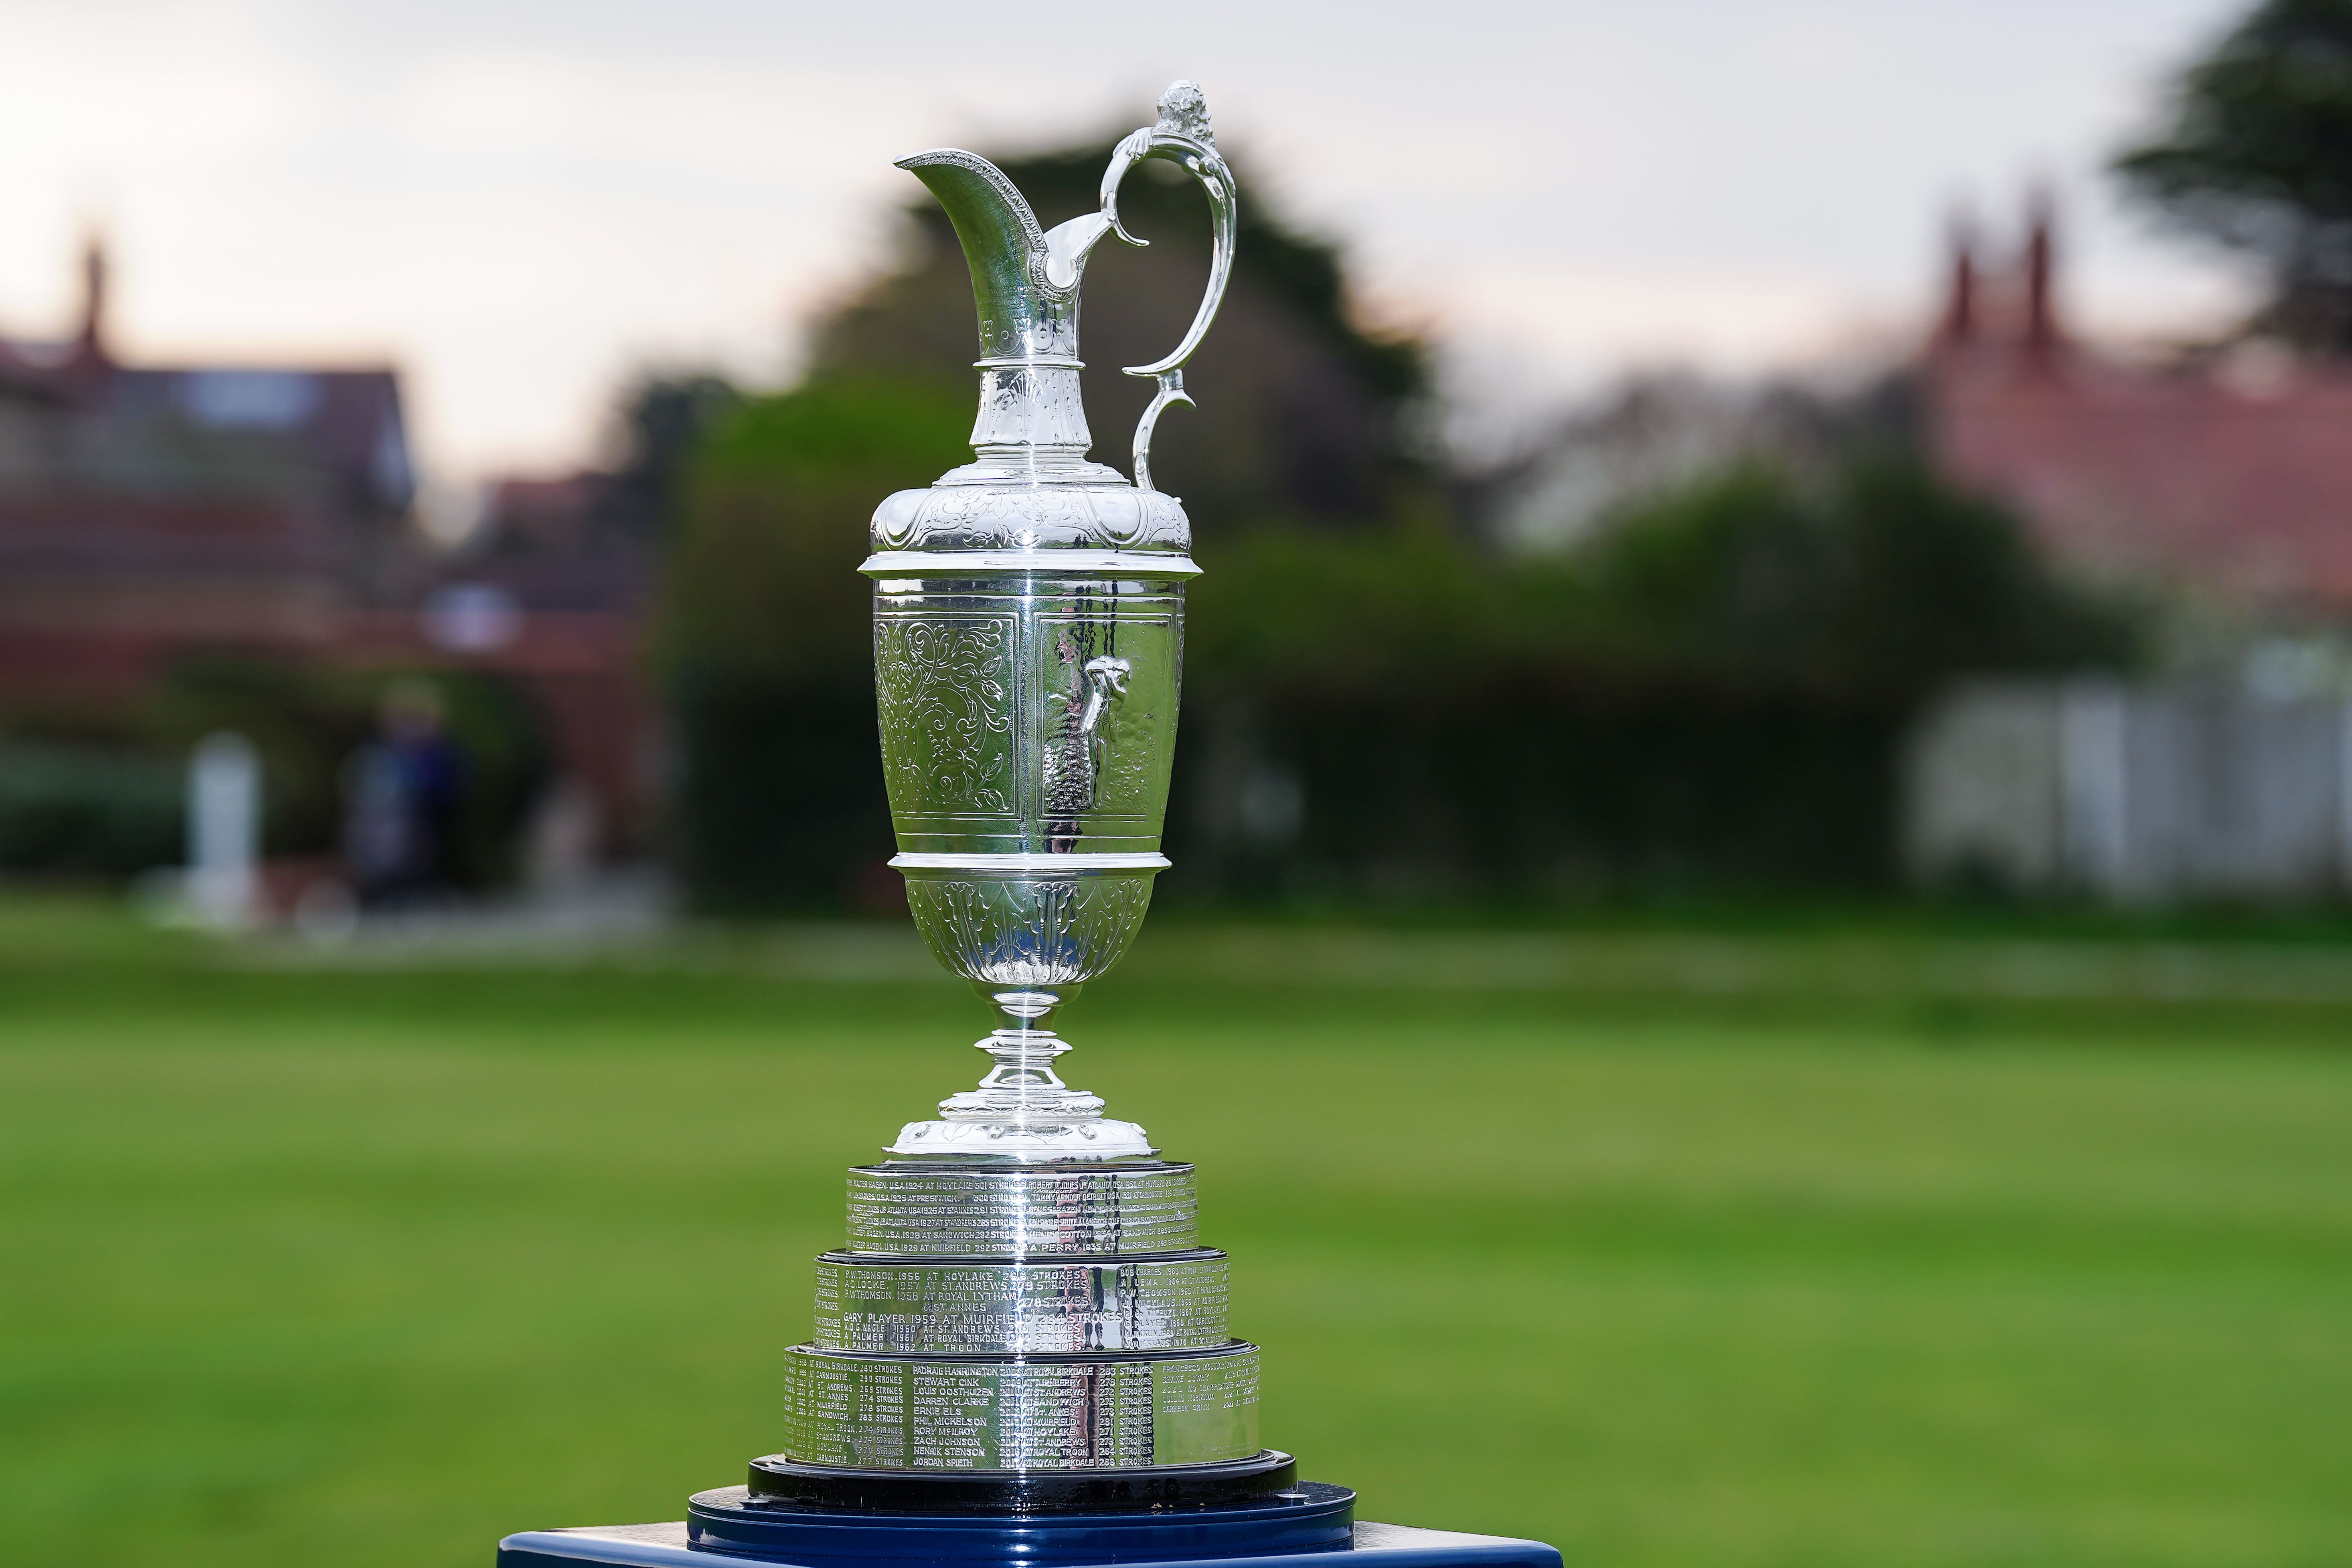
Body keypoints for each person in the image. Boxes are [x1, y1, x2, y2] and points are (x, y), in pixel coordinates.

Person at [343, 680, 464, 907]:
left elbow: (447, 785)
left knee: (420, 861)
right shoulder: (380, 751)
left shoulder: (437, 751)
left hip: (425, 818)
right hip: (387, 822)